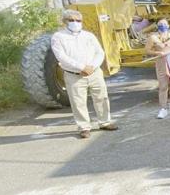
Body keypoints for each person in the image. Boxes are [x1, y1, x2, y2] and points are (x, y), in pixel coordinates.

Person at [51, 9, 119, 138]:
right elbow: (61, 56)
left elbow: (100, 52)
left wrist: (92, 66)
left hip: (94, 72)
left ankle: (105, 122)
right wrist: (81, 67)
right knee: (78, 102)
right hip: (74, 75)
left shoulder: (88, 36)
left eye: (78, 20)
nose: (75, 23)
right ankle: (84, 127)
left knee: (101, 97)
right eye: (71, 20)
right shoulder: (59, 37)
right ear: (65, 21)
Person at [145, 19, 170, 119]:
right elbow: (147, 50)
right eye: (160, 24)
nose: (162, 26)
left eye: (164, 24)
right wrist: (157, 53)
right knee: (163, 86)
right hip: (162, 64)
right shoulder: (153, 38)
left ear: (168, 25)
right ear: (157, 26)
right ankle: (163, 108)